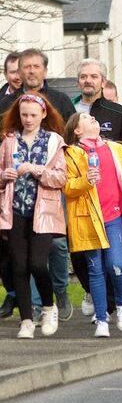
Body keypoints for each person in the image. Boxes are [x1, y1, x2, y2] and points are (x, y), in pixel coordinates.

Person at [63, 112, 122, 337]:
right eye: (86, 118)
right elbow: (67, 187)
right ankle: (102, 319)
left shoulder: (115, 149)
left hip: (113, 217)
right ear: (77, 130)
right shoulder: (71, 154)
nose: (93, 118)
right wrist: (85, 181)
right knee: (95, 270)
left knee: (116, 265)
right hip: (87, 221)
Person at [0, 49, 76, 317]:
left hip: (50, 185)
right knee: (19, 252)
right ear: (19, 72)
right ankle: (31, 304)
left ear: (44, 70)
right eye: (26, 67)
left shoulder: (61, 100)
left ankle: (61, 290)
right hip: (16, 191)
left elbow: (72, 139)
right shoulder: (6, 103)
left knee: (55, 245)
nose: (31, 71)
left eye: (36, 66)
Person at [71, 59, 122, 320]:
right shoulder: (71, 113)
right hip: (80, 198)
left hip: (111, 200)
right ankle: (94, 294)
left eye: (93, 76)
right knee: (80, 254)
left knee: (113, 258)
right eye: (83, 76)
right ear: (78, 81)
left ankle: (109, 306)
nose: (88, 80)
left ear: (103, 80)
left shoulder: (118, 112)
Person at [0, 94, 66, 338]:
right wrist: (4, 176)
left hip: (44, 211)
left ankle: (49, 306)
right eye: (24, 115)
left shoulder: (54, 141)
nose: (28, 119)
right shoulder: (9, 141)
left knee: (38, 263)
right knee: (19, 266)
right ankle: (26, 319)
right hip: (14, 208)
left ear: (43, 115)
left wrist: (36, 169)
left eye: (33, 115)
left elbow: (60, 178)